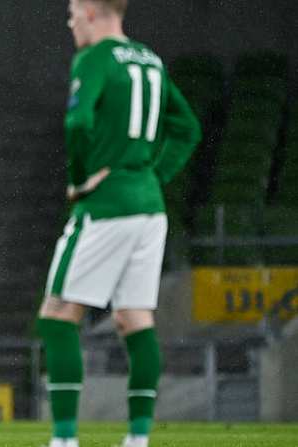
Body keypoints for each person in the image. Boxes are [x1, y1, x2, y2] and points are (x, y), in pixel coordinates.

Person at [36, 1, 201, 447]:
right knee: (134, 318)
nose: (69, 22)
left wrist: (78, 180)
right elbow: (186, 128)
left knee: (56, 316)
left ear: (91, 11)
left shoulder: (94, 58)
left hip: (107, 206)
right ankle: (138, 438)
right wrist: (152, 174)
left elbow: (77, 120)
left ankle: (65, 439)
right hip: (150, 208)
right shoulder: (150, 58)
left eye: (72, 12)